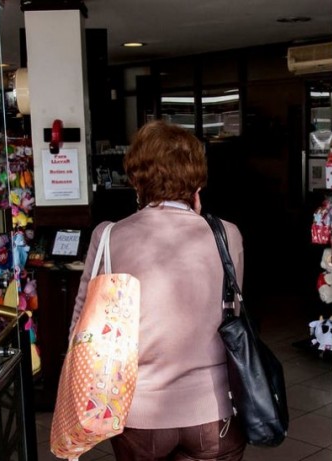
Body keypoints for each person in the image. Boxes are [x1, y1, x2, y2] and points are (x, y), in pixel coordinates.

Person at [68, 120, 246, 461]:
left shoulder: (109, 237)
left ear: (138, 177)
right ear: (196, 177)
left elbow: (82, 330)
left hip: (138, 414)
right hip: (213, 410)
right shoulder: (228, 235)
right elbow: (231, 313)